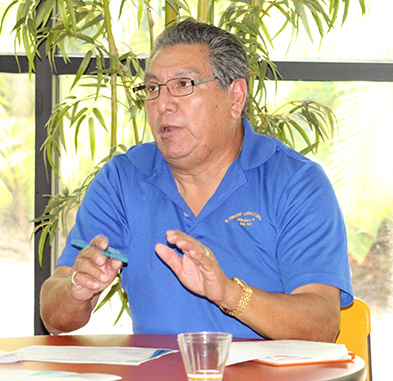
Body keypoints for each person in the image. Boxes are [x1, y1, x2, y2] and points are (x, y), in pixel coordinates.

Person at [40, 20, 353, 341]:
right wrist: (77, 288)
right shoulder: (123, 178)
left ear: (235, 96)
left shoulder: (295, 182)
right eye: (152, 89)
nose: (163, 104)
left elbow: (322, 327)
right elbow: (56, 317)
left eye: (184, 84)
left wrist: (230, 295)